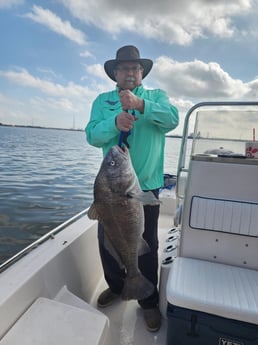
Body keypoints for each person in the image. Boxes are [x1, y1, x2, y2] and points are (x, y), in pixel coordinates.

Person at [85, 45, 179, 332]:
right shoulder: (102, 101)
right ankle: (116, 285)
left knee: (147, 246)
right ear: (115, 73)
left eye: (135, 67)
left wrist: (141, 106)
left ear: (142, 73)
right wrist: (114, 122)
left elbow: (172, 119)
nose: (130, 72)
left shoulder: (155, 97)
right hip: (111, 192)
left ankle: (148, 302)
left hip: (145, 187)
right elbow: (92, 135)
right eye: (124, 67)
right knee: (108, 243)